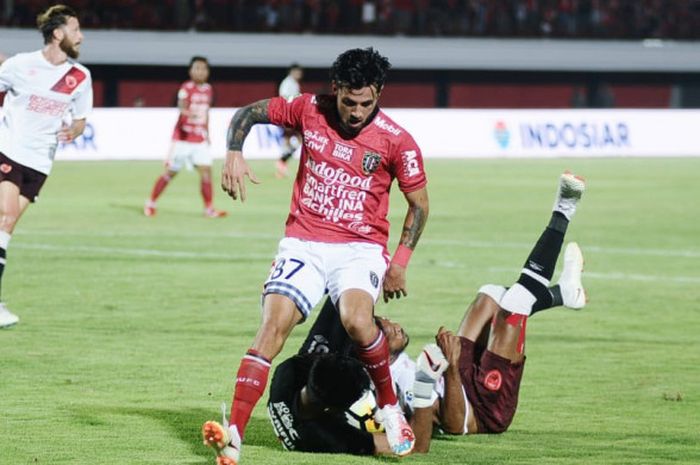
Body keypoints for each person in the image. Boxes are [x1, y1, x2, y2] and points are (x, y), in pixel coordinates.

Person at [202, 47, 429, 464]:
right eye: (349, 101)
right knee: (272, 328)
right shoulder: (309, 110)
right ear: (336, 89)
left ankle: (389, 407)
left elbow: (420, 206)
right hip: (304, 243)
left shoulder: (397, 141)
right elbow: (246, 114)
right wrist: (234, 150)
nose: (357, 111)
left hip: (359, 248)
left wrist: (399, 263)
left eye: (367, 102)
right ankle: (233, 436)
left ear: (378, 92)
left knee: (358, 321)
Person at [260, 171, 587, 455]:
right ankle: (564, 209)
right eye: (380, 330)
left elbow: (295, 389)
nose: (385, 323)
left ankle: (562, 293)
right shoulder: (365, 418)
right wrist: (442, 373)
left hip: (448, 374)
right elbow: (448, 427)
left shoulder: (308, 373)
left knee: (489, 296)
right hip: (481, 410)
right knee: (515, 305)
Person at [0, 4, 92, 328]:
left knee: (5, 228)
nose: (81, 37)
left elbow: (81, 121)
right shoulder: (20, 65)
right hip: (7, 150)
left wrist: (74, 130)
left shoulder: (80, 77)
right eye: (75, 29)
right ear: (57, 33)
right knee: (5, 215)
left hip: (39, 163)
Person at [144, 56, 226, 218]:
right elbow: (181, 108)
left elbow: (207, 112)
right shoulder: (186, 88)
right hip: (183, 139)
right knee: (170, 173)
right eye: (197, 68)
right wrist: (190, 114)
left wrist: (208, 133)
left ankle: (209, 208)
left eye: (203, 68)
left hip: (199, 139)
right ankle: (151, 202)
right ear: (190, 71)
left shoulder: (208, 89)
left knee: (206, 172)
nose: (200, 72)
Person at [274, 63, 303, 178]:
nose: (300, 74)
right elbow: (284, 98)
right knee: (300, 138)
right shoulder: (288, 83)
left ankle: (282, 164)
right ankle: (282, 161)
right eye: (298, 72)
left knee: (287, 139)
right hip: (289, 115)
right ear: (292, 72)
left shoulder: (293, 83)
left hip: (290, 115)